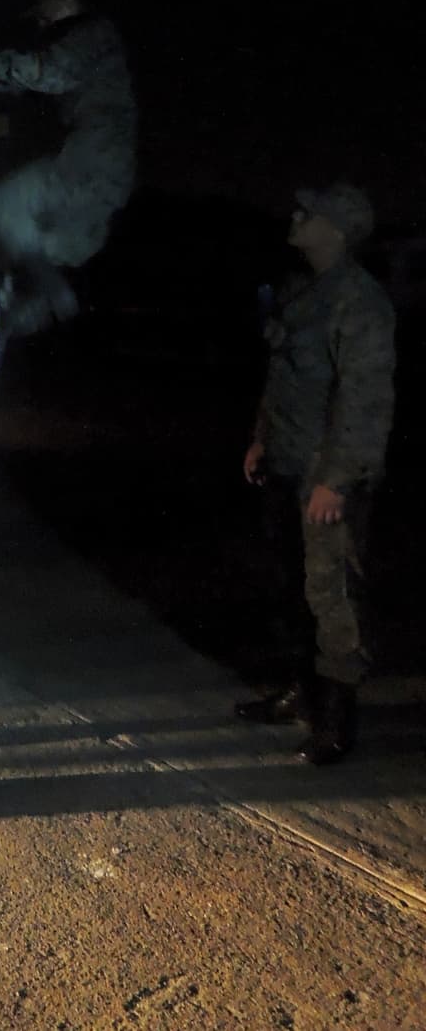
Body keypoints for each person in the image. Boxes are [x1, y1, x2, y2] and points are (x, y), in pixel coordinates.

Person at [235, 184, 395, 766]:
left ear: (337, 230)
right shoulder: (309, 292)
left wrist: (338, 479)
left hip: (324, 476)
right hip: (288, 461)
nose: (296, 218)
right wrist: (261, 439)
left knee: (333, 595)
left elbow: (365, 400)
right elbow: (286, 378)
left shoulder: (360, 302)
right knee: (290, 586)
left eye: (310, 214)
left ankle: (336, 720)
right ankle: (301, 693)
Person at [0, 0, 136, 333]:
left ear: (65, 3)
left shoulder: (91, 35)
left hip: (92, 162)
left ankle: (49, 292)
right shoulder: (87, 41)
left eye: (44, 12)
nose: (40, 21)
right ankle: (33, 303)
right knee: (34, 250)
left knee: (5, 204)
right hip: (99, 167)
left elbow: (48, 72)